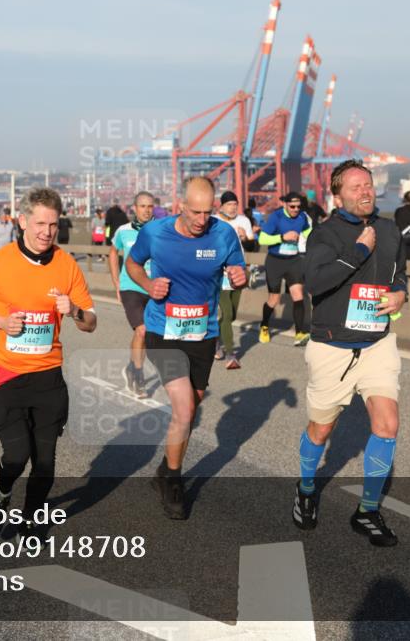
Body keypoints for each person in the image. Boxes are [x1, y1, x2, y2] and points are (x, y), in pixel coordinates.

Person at [0, 187, 96, 539]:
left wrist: (75, 310)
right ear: (22, 221)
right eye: (39, 223)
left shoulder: (66, 265)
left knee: (45, 463)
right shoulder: (0, 262)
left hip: (47, 377)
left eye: (52, 224)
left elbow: (90, 321)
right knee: (17, 455)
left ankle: (31, 516)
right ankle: (2, 493)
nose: (46, 232)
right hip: (5, 375)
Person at [295, 159, 406, 547]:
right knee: (321, 429)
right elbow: (316, 282)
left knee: (387, 424)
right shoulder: (324, 235)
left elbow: (399, 274)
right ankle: (307, 487)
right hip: (332, 348)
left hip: (377, 344)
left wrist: (400, 295)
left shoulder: (390, 230)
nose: (365, 192)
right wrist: (359, 251)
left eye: (369, 185)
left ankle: (367, 511)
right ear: (337, 195)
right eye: (356, 187)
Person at [126, 176, 247, 519]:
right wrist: (149, 284)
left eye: (207, 212)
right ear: (180, 206)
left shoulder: (222, 233)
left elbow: (238, 268)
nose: (201, 220)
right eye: (195, 212)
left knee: (191, 408)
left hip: (203, 334)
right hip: (163, 330)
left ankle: (165, 468)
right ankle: (174, 484)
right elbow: (132, 263)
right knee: (183, 408)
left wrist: (241, 276)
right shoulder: (156, 233)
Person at [109, 191, 155, 397]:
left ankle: (130, 367)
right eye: (143, 206)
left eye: (150, 206)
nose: (146, 210)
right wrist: (116, 282)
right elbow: (112, 252)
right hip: (130, 287)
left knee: (150, 336)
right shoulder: (123, 231)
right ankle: (138, 375)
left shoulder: (160, 230)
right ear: (135, 209)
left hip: (154, 287)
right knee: (142, 331)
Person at [258, 192, 313, 347]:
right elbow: (262, 239)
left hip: (294, 261)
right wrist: (282, 237)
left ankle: (300, 333)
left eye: (298, 206)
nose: (296, 209)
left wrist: (314, 237)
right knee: (273, 299)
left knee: (298, 295)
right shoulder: (276, 217)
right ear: (285, 204)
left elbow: (308, 231)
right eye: (292, 206)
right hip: (275, 262)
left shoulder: (302, 217)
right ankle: (264, 326)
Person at [213, 191, 254, 368]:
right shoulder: (214, 221)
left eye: (235, 204)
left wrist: (245, 238)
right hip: (219, 273)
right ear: (221, 206)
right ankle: (231, 354)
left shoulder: (244, 221)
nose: (233, 208)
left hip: (239, 272)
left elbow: (253, 245)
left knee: (233, 314)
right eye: (229, 204)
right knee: (227, 313)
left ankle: (215, 340)